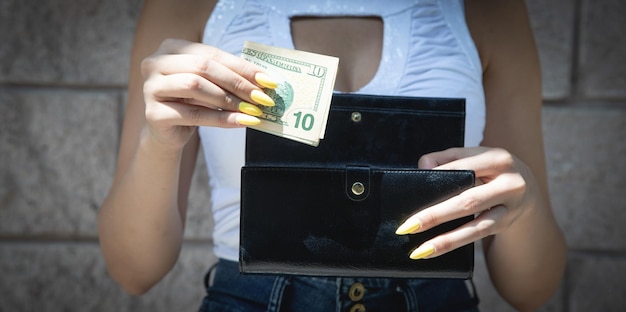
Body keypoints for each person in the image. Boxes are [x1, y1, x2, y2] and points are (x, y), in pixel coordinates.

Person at [97, 0, 567, 311]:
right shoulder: (190, 3)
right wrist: (158, 143)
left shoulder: (489, 9)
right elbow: (135, 270)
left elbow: (533, 288)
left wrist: (519, 205)